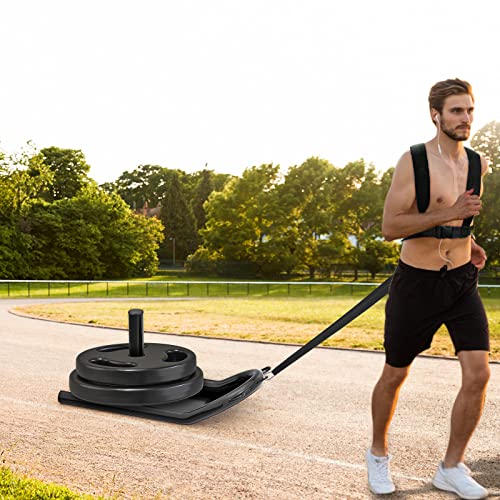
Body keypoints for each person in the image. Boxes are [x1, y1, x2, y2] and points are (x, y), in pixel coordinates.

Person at [366, 78, 491, 499]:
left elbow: (461, 220)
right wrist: (452, 212)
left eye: (470, 110)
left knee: (479, 374)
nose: (465, 118)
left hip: (460, 283)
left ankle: (451, 467)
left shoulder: (478, 164)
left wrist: (469, 243)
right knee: (395, 374)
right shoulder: (414, 161)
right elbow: (390, 227)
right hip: (416, 284)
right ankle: (378, 455)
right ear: (435, 115)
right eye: (456, 111)